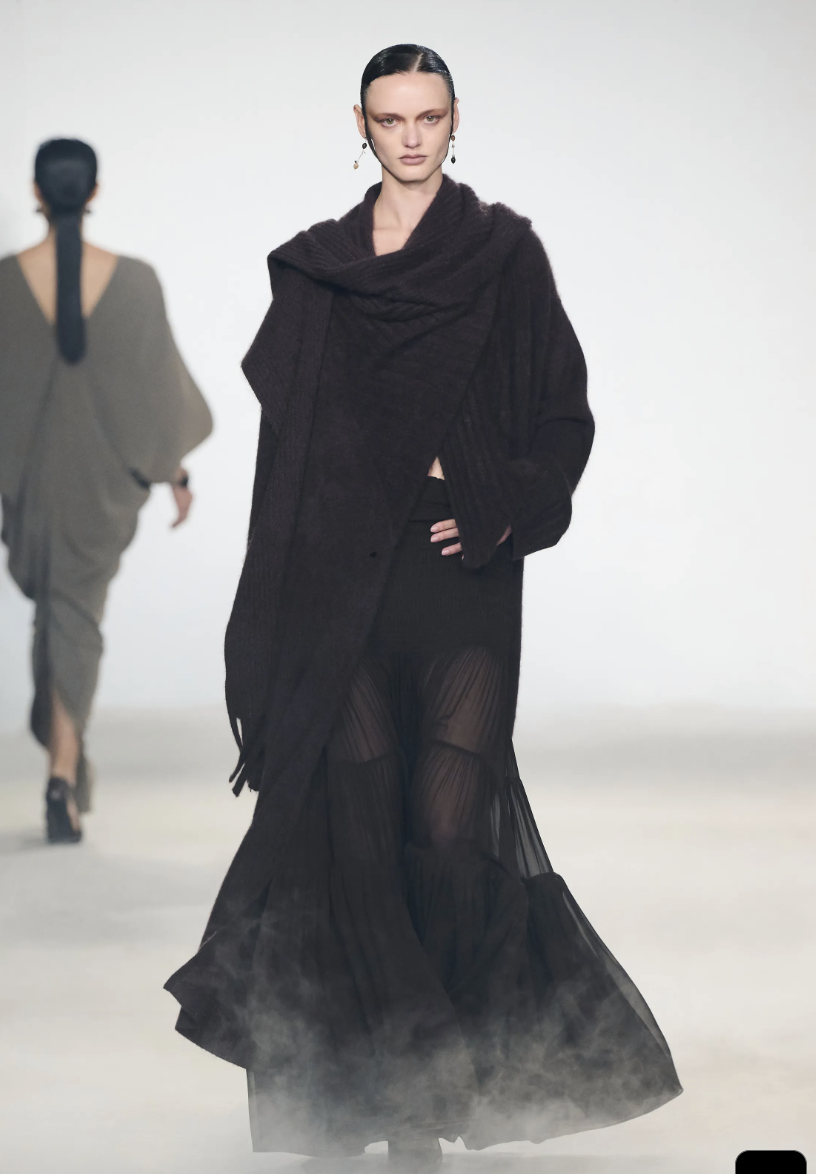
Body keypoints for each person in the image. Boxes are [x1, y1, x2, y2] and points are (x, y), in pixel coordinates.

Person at [165, 45, 681, 1165]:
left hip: (460, 581)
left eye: (429, 117)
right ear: (359, 123)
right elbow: (288, 459)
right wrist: (264, 619)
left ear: (455, 121)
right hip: (339, 580)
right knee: (357, 832)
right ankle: (379, 1102)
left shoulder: (503, 258)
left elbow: (563, 419)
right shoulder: (321, 271)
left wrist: (493, 498)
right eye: (391, 118)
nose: (411, 137)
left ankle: (426, 1094)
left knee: (445, 832)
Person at [0, 138, 212, 845]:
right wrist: (174, 472)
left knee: (55, 617)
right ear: (92, 193)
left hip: (30, 485)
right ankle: (64, 773)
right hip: (96, 485)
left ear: (37, 191)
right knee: (75, 619)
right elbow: (155, 397)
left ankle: (63, 768)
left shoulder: (3, 283)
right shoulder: (136, 282)